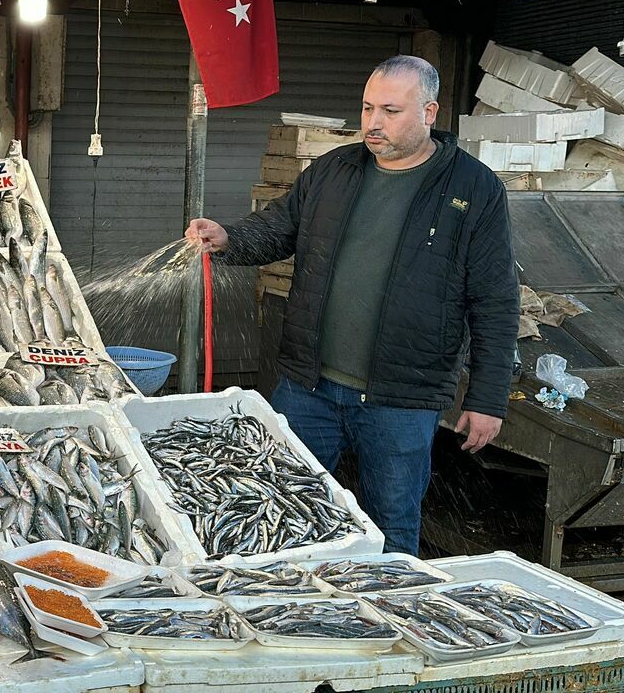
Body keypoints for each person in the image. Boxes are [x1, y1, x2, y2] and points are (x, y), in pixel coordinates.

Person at [185, 55, 519, 555]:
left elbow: (494, 297)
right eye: (367, 109)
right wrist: (229, 238)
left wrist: (487, 398)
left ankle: (385, 621)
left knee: (391, 528)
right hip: (309, 387)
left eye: (390, 110)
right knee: (277, 511)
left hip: (402, 397)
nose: (373, 123)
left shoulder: (473, 188)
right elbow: (279, 227)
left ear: (429, 112)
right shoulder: (333, 171)